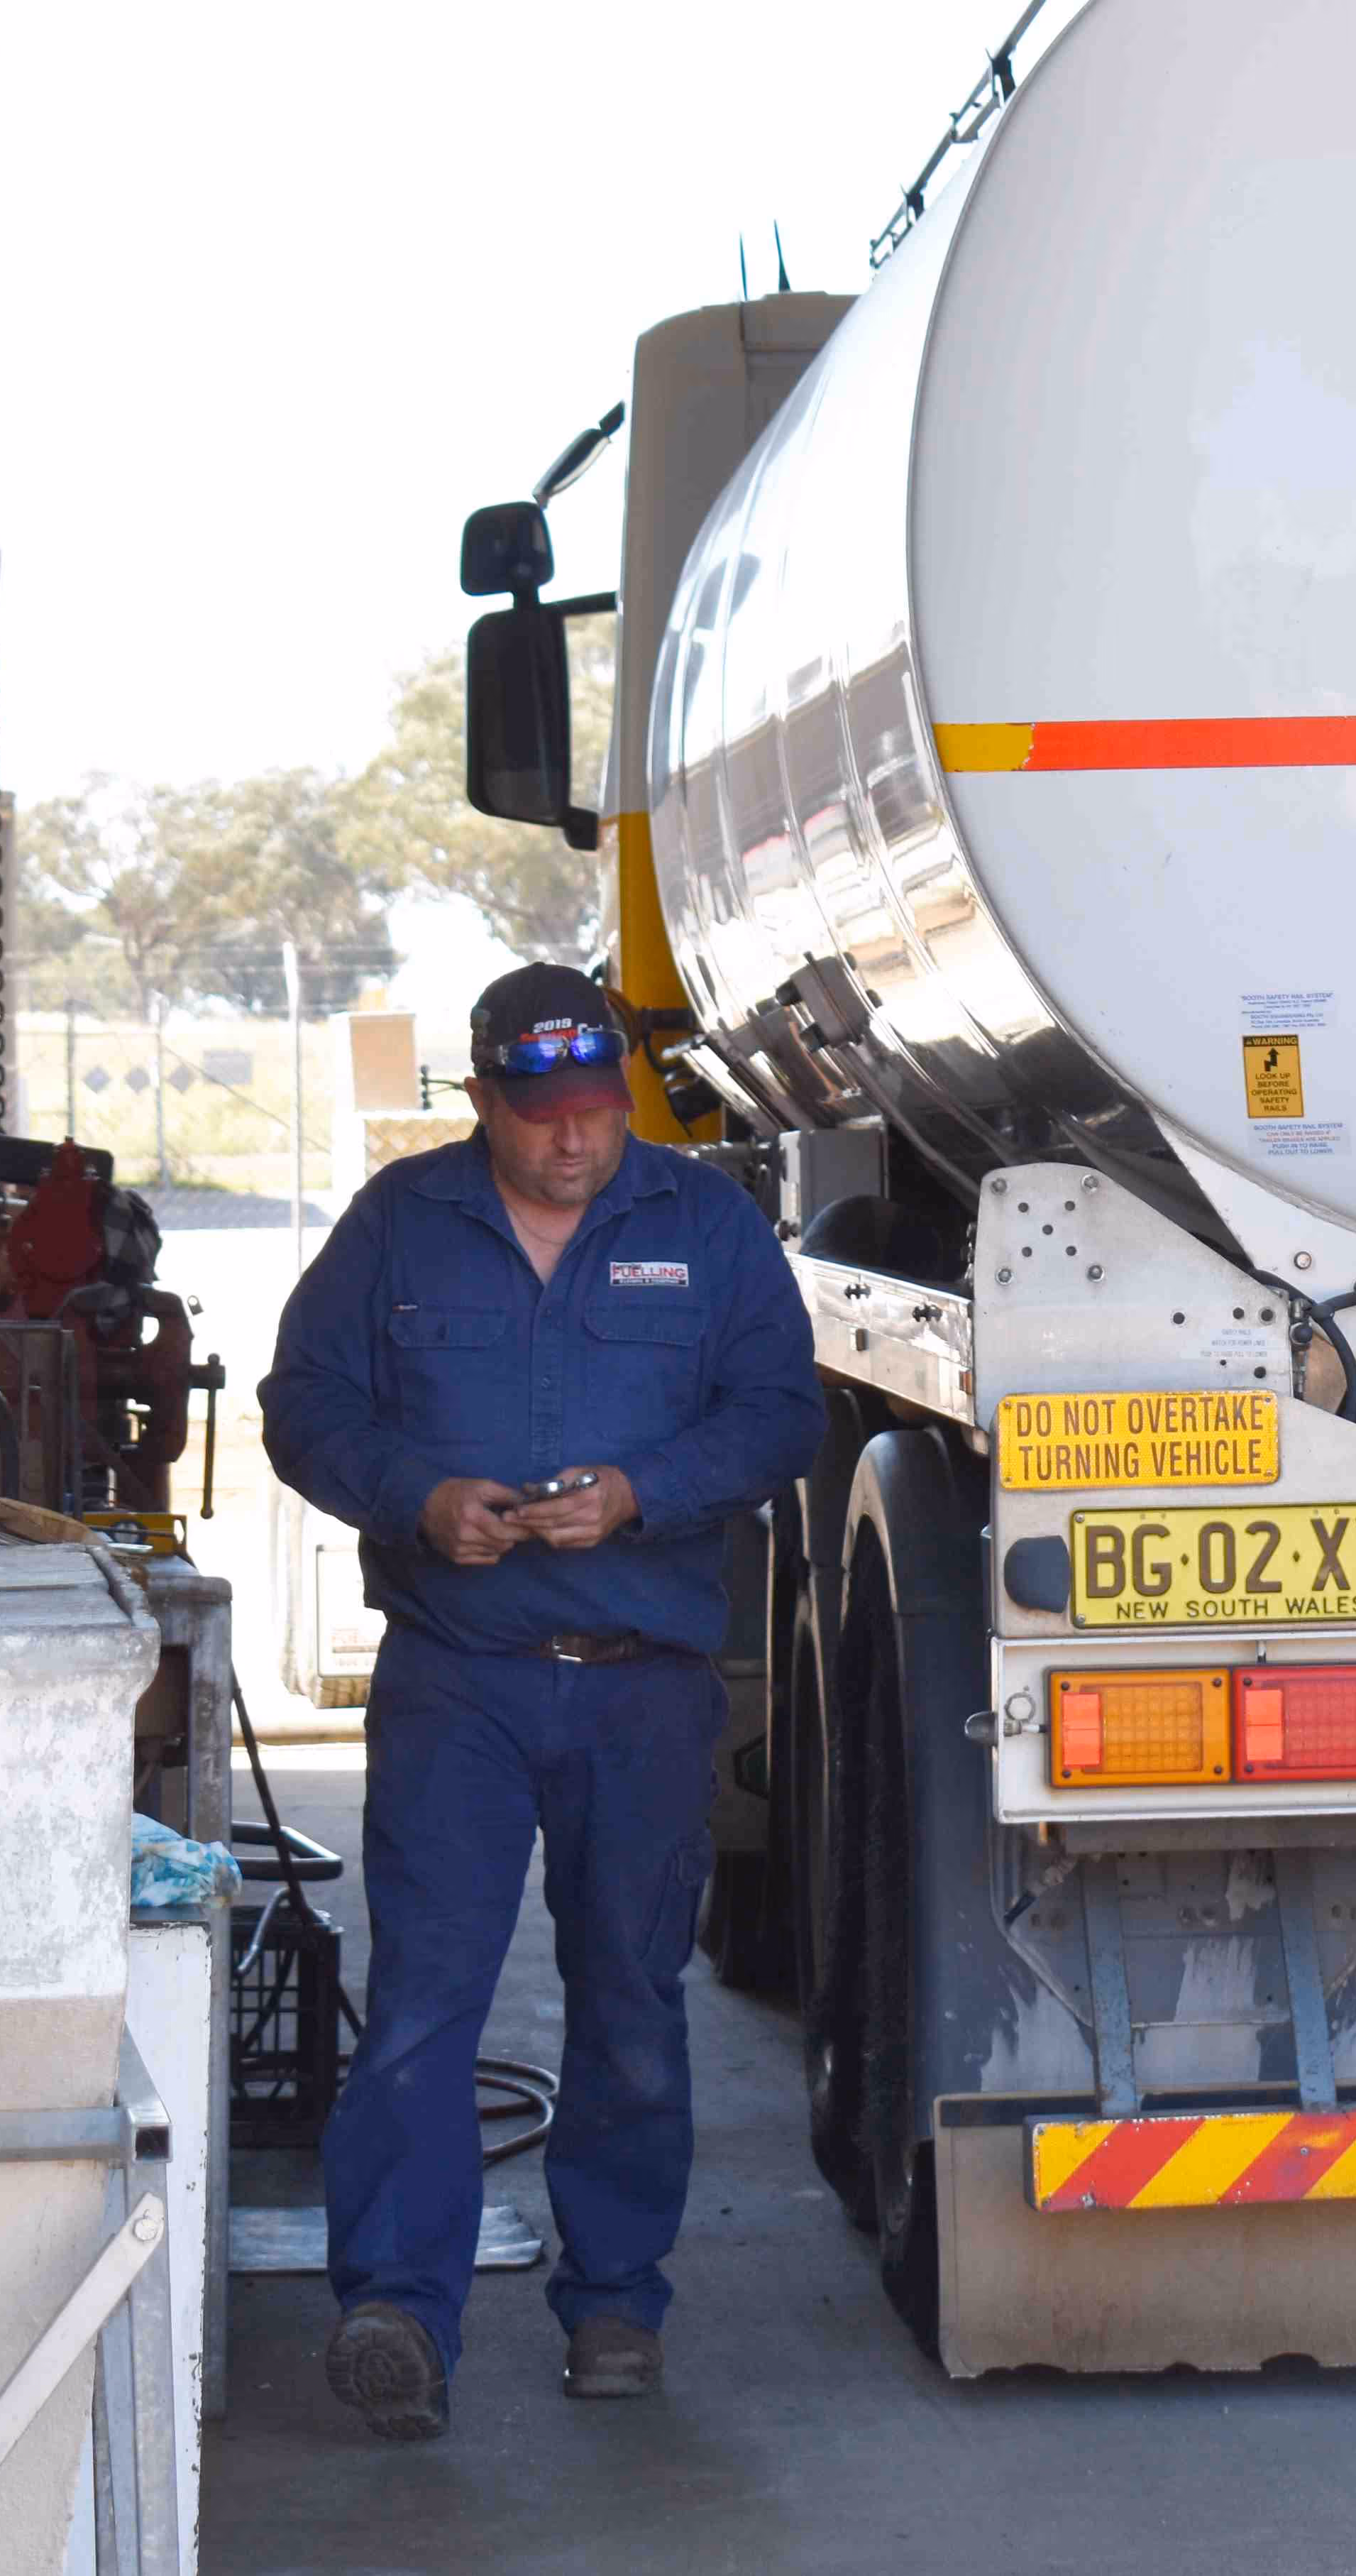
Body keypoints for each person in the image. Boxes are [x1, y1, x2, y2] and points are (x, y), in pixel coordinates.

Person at [263, 963, 822, 2440]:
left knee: (632, 2002)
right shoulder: (400, 1223)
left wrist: (646, 1490)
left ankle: (619, 2301)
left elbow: (782, 1409)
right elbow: (304, 1400)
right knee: (424, 2005)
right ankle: (397, 2305)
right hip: (460, 1680)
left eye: (596, 1108)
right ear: (482, 1099)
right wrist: (414, 1494)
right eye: (540, 1112)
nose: (575, 1140)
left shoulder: (702, 1225)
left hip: (641, 1691)